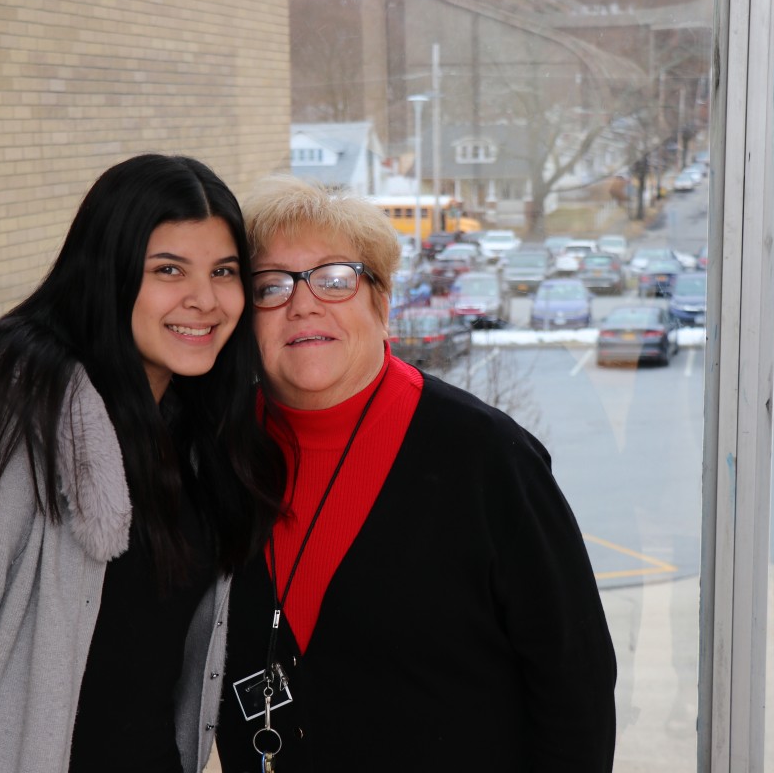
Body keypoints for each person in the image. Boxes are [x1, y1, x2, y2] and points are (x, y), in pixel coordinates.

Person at [0, 154, 283, 773]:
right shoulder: (15, 398)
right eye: (169, 269)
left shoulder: (204, 424)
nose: (204, 299)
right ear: (110, 272)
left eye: (223, 271)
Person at [215, 175, 618, 772]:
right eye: (270, 286)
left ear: (381, 303)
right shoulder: (215, 458)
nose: (302, 303)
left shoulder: (486, 456)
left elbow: (574, 684)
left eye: (334, 278)